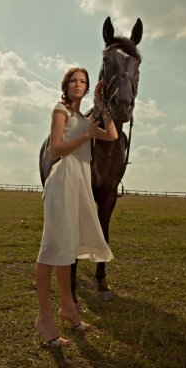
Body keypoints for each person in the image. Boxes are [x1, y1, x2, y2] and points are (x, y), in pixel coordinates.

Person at [35, 67, 118, 347]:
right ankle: (44, 318)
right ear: (66, 85)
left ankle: (68, 308)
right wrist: (86, 136)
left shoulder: (85, 117)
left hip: (79, 181)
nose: (78, 85)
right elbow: (55, 149)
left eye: (83, 81)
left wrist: (104, 106)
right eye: (74, 81)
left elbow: (113, 136)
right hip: (63, 179)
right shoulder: (61, 111)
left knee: (66, 249)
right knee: (51, 250)